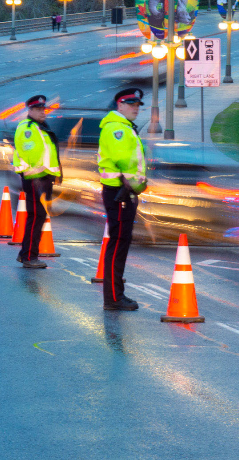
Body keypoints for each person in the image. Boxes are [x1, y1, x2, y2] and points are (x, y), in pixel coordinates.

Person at [97, 88, 146, 311]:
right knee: (117, 245)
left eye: (137, 105)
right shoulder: (117, 128)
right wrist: (138, 184)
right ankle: (114, 297)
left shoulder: (123, 127)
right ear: (120, 105)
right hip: (120, 193)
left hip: (122, 192)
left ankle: (115, 295)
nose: (135, 108)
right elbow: (124, 161)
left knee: (120, 244)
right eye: (131, 104)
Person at [11, 94, 60, 268]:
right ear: (30, 110)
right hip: (35, 179)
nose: (42, 112)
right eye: (38, 109)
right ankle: (29, 257)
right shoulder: (28, 129)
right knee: (36, 216)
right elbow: (29, 153)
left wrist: (55, 173)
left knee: (39, 217)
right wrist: (39, 176)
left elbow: (48, 154)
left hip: (43, 178)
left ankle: (25, 253)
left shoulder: (40, 127)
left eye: (43, 109)